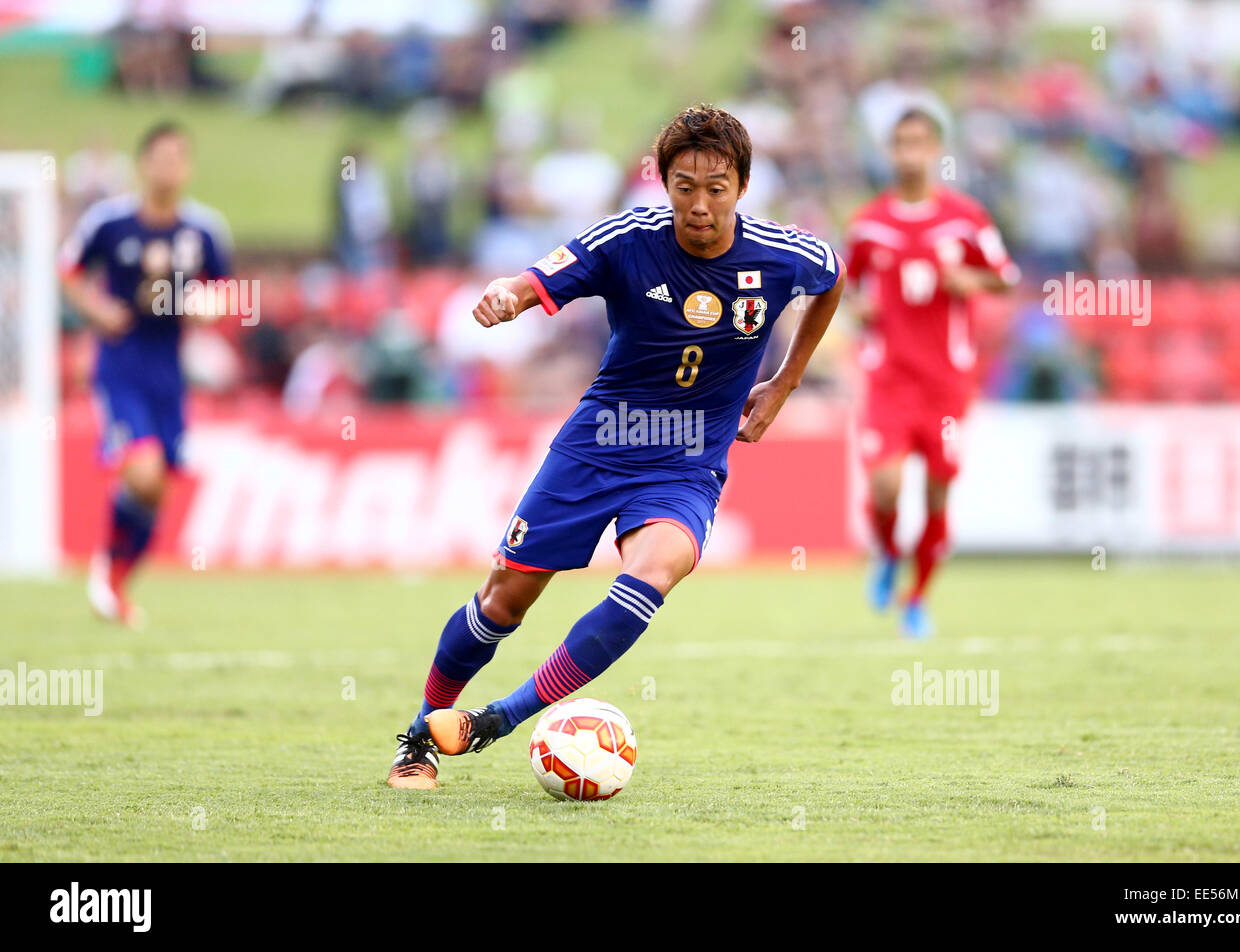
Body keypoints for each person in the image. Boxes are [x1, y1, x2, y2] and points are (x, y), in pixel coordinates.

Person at [387, 104, 845, 788]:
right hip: (598, 445)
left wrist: (785, 382)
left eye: (715, 189)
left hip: (687, 463)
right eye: (684, 187)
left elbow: (832, 279)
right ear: (662, 183)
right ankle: (422, 734)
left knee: (653, 573)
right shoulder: (628, 239)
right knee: (503, 603)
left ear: (743, 188)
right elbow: (535, 281)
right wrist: (504, 299)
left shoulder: (784, 256)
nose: (699, 204)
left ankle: (497, 720)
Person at [843, 107, 1018, 640]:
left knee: (939, 493)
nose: (910, 153)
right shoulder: (869, 223)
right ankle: (890, 553)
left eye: (920, 142)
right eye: (900, 143)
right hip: (890, 378)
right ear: (888, 152)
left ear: (938, 150)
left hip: (945, 383)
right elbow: (845, 287)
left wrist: (970, 281)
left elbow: (1005, 278)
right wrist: (859, 307)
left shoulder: (966, 218)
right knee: (886, 484)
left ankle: (917, 601)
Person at [59, 122, 233, 628]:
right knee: (145, 468)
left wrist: (210, 307)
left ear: (188, 167)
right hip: (120, 363)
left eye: (178, 158)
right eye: (160, 157)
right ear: (143, 164)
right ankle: (107, 570)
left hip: (168, 369)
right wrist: (97, 312)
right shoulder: (110, 223)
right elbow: (67, 270)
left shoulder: (203, 229)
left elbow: (223, 289)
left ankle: (114, 578)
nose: (168, 167)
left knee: (157, 488)